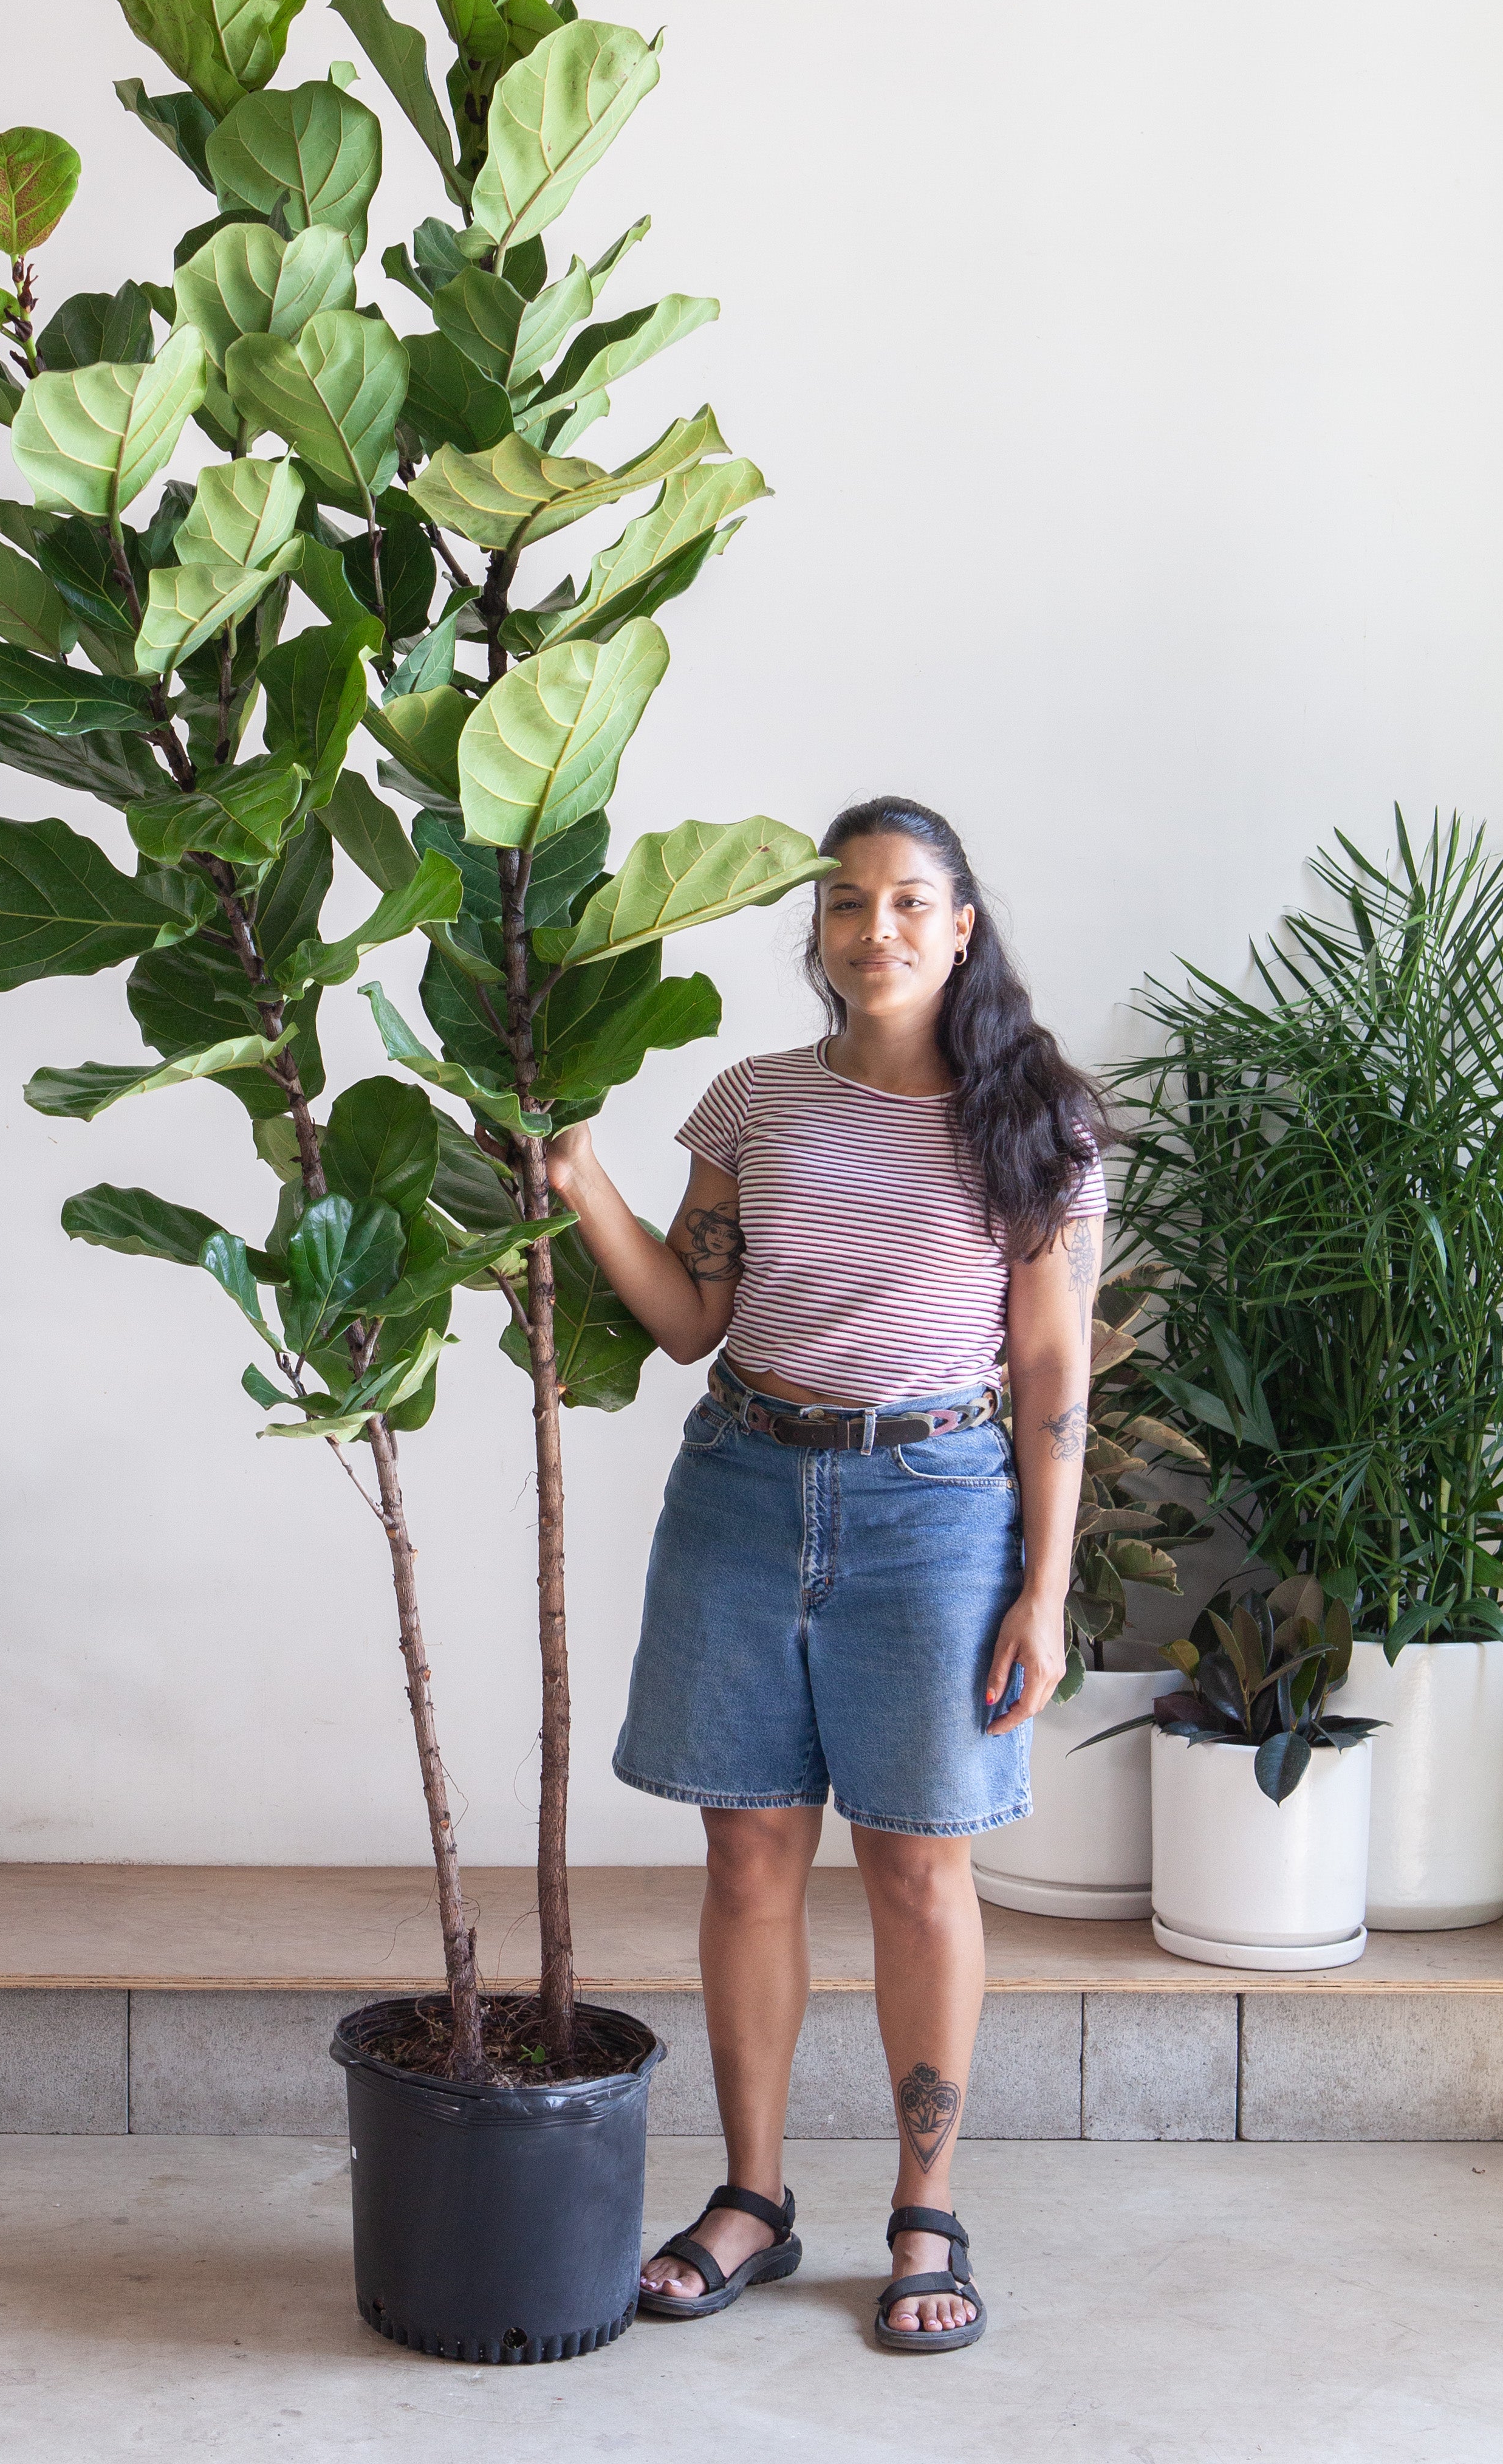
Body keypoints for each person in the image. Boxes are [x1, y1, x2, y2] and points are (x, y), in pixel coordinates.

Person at [545, 797, 1106, 2353]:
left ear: (962, 925)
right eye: (850, 904)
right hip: (741, 1486)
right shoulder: (753, 1101)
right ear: (817, 930)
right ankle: (753, 2200)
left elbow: (1055, 1366)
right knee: (747, 1861)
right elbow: (684, 1320)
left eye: (912, 902)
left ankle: (926, 2213)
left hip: (940, 1509)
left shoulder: (1034, 1118)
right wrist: (582, 1174)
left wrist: (1045, 1588)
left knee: (923, 1865)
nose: (879, 930)